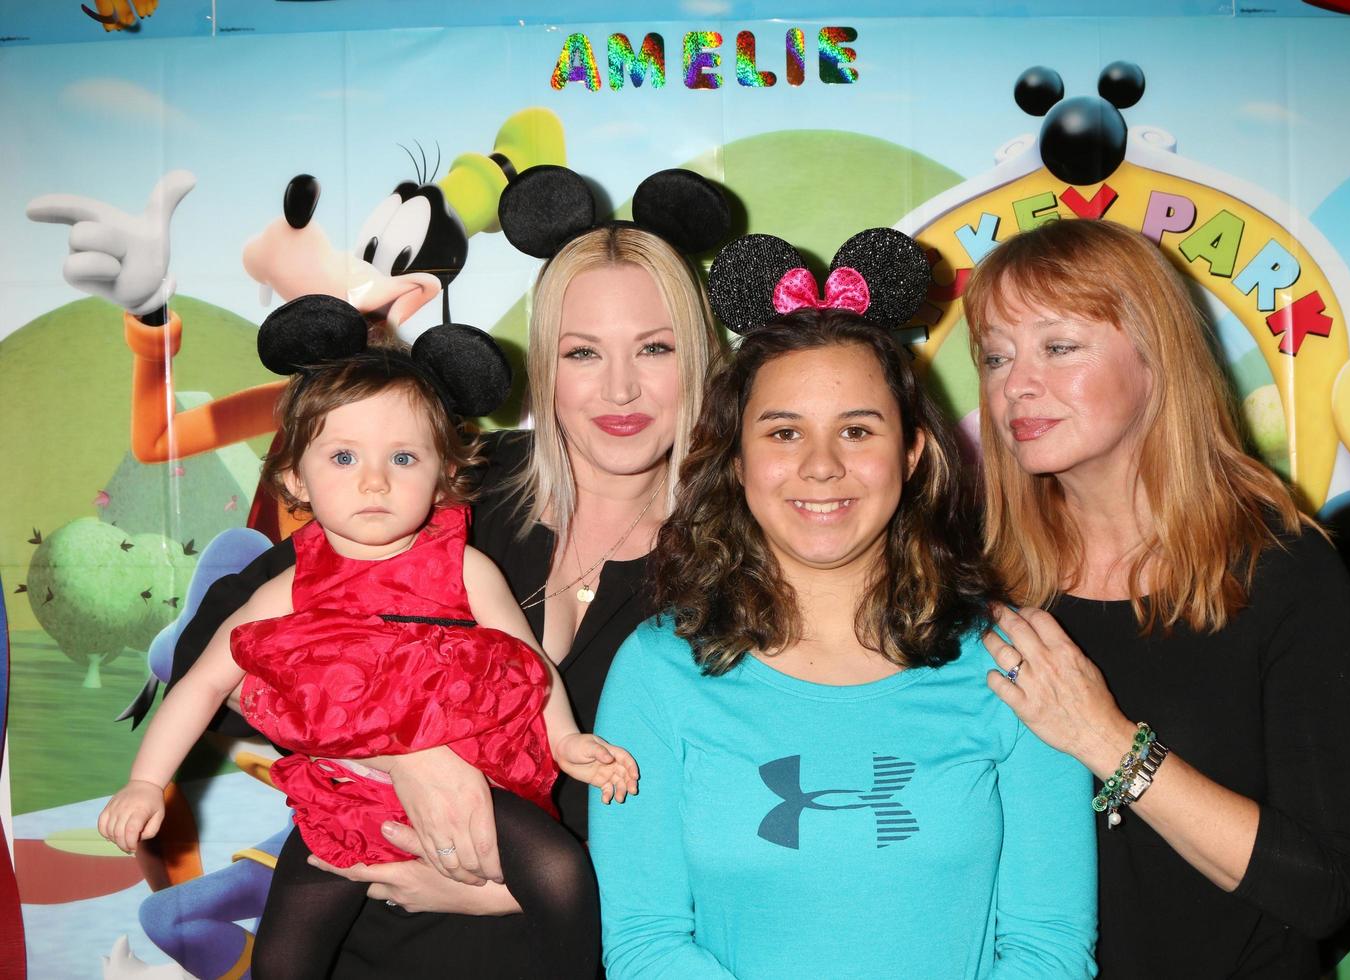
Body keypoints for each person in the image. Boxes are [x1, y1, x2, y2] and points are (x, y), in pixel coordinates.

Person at [167, 220, 723, 977]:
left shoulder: (731, 558)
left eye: (655, 349)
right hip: (369, 951)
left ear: (699, 361)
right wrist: (405, 750)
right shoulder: (453, 480)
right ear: (543, 369)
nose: (619, 388)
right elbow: (214, 646)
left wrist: (508, 889)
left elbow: (731, 817)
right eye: (582, 352)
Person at [99, 343, 639, 979]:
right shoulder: (287, 589)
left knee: (562, 872)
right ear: (297, 477)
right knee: (283, 956)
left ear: (443, 474)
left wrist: (567, 739)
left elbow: (525, 668)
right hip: (342, 800)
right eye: (344, 456)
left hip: (474, 789)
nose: (375, 480)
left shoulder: (466, 569)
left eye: (403, 457)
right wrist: (144, 780)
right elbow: (201, 685)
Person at [589, 308, 1098, 978]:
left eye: (857, 430)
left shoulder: (1014, 661)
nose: (821, 466)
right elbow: (644, 943)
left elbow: (1049, 947)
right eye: (784, 432)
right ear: (739, 462)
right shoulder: (656, 672)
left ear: (912, 453)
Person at [961, 218, 1350, 978]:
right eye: (995, 355)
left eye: (1058, 346)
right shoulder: (981, 580)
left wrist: (1108, 741)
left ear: (1156, 357)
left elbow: (1326, 891)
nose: (1015, 385)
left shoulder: (1282, 570)